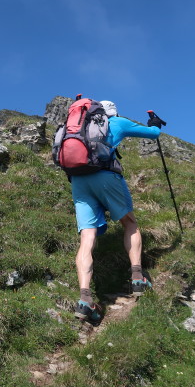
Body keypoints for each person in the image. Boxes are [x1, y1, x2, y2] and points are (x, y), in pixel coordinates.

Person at [72, 100, 164, 323]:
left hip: (78, 180)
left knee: (87, 236)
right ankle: (137, 276)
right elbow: (152, 134)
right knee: (129, 223)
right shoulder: (117, 122)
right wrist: (155, 124)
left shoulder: (79, 127)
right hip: (106, 176)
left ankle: (85, 298)